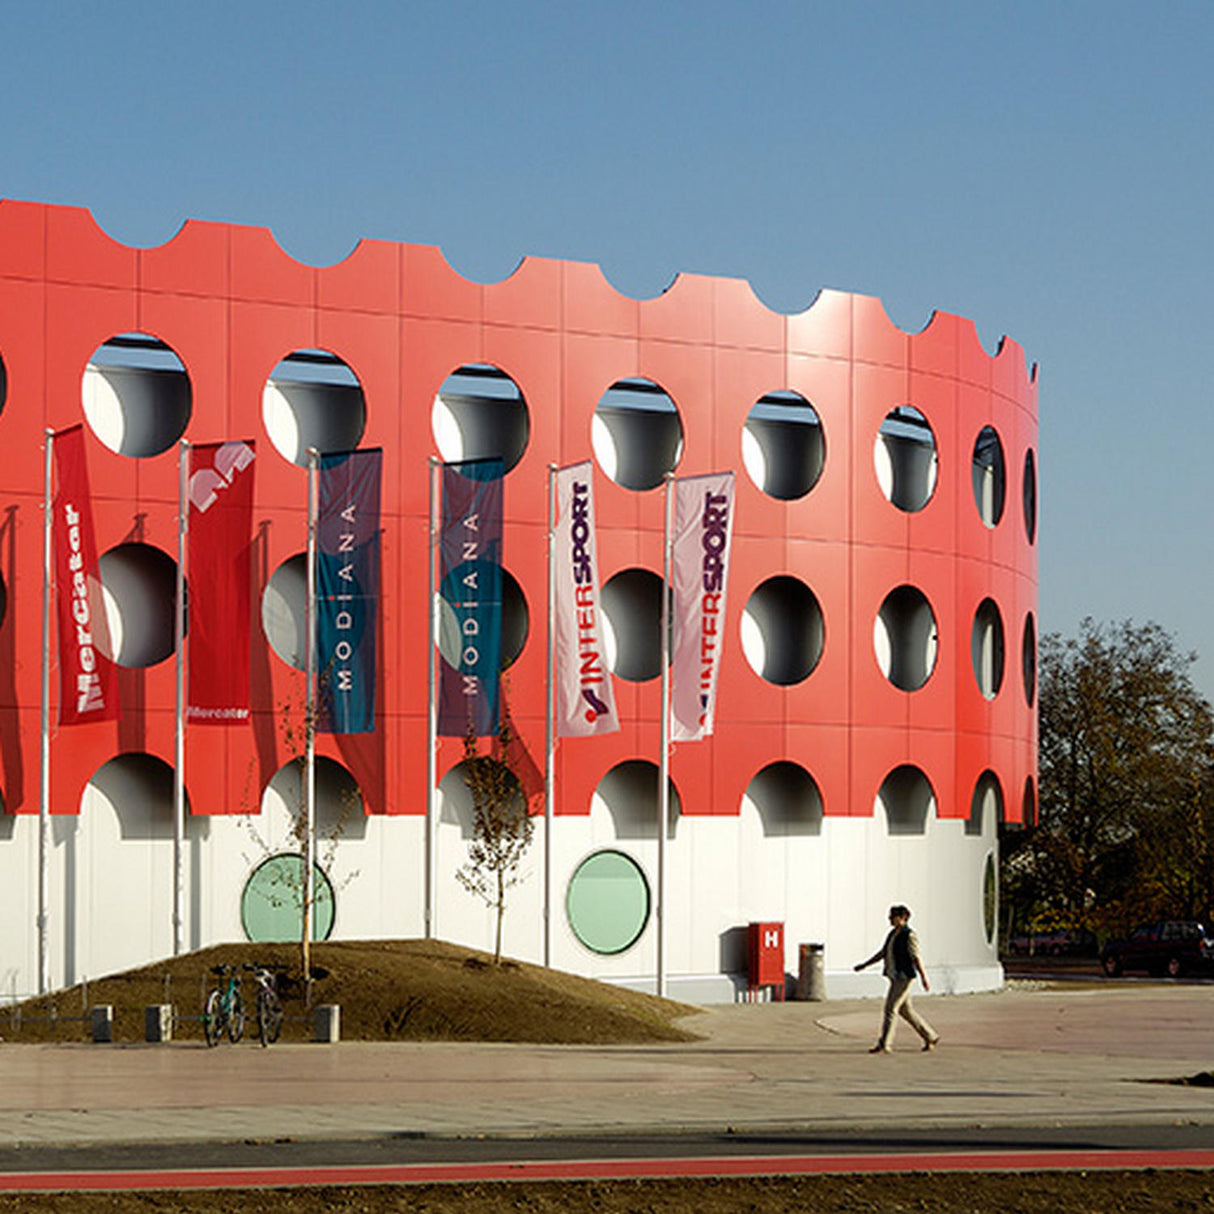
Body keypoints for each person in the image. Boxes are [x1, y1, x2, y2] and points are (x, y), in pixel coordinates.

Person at [854, 903, 939, 1053]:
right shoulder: (892, 934)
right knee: (906, 1011)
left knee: (890, 1009)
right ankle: (930, 1036)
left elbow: (915, 957)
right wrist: (865, 965)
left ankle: (885, 1044)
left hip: (904, 978)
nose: (890, 920)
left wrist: (924, 978)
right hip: (895, 976)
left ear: (903, 918)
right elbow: (883, 953)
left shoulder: (909, 935)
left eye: (892, 917)